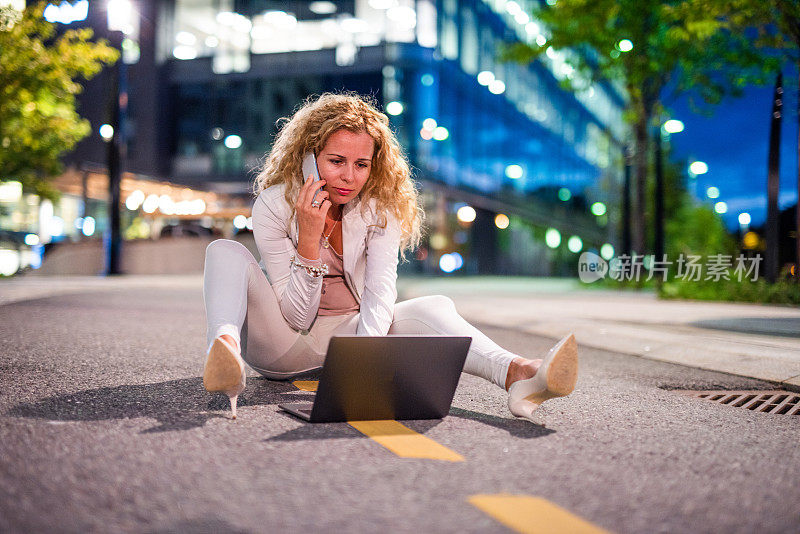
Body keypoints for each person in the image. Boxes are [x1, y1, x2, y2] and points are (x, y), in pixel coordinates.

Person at [202, 92, 578, 421]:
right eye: (336, 161)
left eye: (361, 165)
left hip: (348, 341)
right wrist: (309, 238)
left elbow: (380, 294)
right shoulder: (273, 204)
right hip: (281, 344)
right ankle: (227, 353)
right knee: (224, 251)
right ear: (308, 159)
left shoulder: (381, 208)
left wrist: (360, 367)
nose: (349, 176)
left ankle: (519, 374)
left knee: (433, 306)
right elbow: (294, 315)